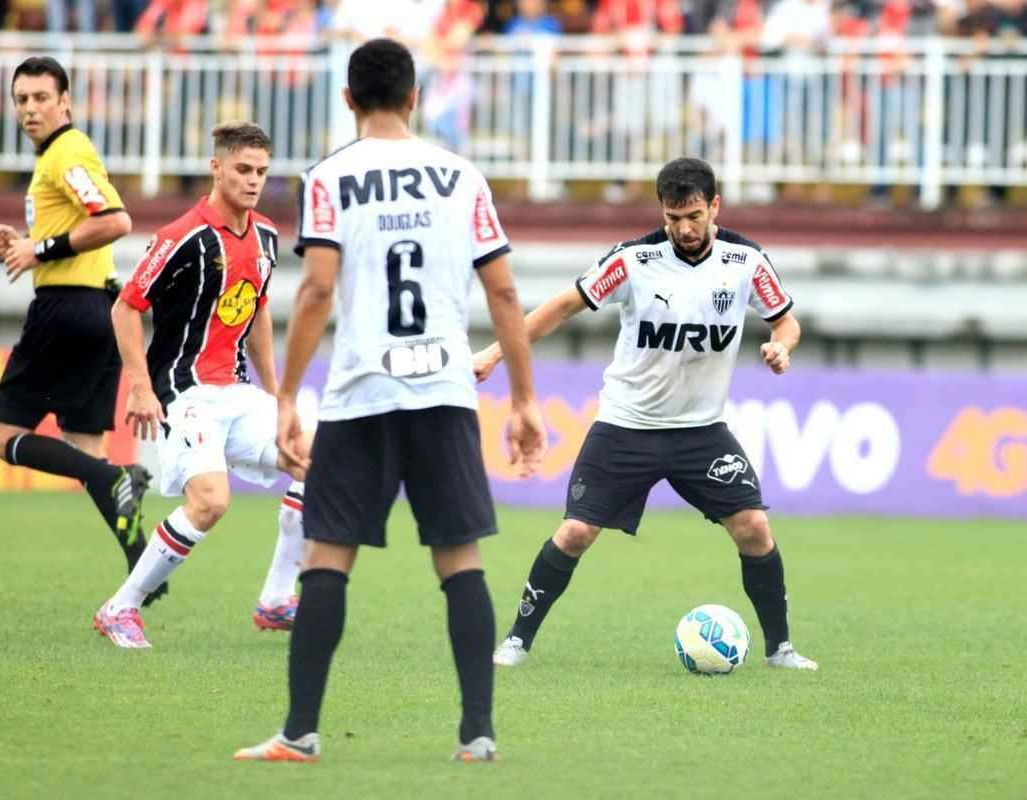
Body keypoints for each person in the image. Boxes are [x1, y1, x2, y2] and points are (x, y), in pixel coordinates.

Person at [234, 37, 546, 765]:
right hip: (443, 391)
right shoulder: (460, 175)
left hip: (361, 395)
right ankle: (477, 735)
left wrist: (285, 397)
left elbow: (315, 290)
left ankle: (299, 734)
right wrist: (525, 397)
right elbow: (502, 290)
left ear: (348, 100)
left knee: (327, 558)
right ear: (414, 98)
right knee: (459, 559)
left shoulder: (330, 176)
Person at [478, 157, 819, 672]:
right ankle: (517, 641)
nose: (684, 228)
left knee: (753, 526)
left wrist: (781, 347)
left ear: (715, 207)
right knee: (574, 533)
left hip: (700, 432)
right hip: (625, 426)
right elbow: (562, 307)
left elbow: (785, 321)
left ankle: (781, 650)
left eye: (694, 216)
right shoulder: (632, 260)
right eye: (673, 217)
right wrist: (494, 352)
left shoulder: (745, 261)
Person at [92, 121, 310, 648]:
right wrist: (140, 386)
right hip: (183, 393)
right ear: (216, 167)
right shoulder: (180, 237)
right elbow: (125, 308)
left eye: (261, 171)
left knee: (315, 459)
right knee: (211, 502)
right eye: (242, 169)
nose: (253, 180)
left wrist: (280, 398)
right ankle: (120, 608)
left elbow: (255, 314)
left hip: (235, 391)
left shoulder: (267, 238)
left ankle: (277, 598)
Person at [0, 56, 158, 599]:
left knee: (0, 438)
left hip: (66, 313)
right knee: (87, 450)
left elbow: (114, 220)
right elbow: (72, 234)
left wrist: (38, 249)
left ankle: (114, 479)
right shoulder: (55, 161)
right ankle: (144, 569)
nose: (30, 108)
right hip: (98, 313)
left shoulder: (68, 151)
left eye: (41, 97)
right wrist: (25, 244)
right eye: (22, 99)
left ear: (65, 101)